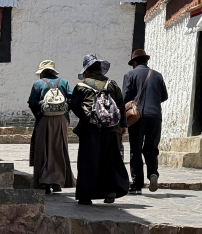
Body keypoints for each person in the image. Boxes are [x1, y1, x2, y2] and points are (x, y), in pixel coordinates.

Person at [70, 53, 131, 205]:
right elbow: (121, 105)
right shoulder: (112, 84)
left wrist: (87, 117)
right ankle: (111, 190)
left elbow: (74, 106)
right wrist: (123, 125)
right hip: (112, 129)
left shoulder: (81, 86)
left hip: (90, 130)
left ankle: (86, 196)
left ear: (87, 70)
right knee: (110, 161)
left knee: (88, 161)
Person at [122, 49, 168, 194]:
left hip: (137, 117)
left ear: (134, 62)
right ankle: (153, 173)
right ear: (146, 61)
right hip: (155, 116)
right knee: (151, 147)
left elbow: (124, 97)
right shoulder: (158, 75)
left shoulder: (130, 75)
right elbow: (164, 96)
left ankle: (137, 185)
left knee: (136, 149)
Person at [27, 60, 75, 194]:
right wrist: (64, 113)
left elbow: (32, 102)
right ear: (54, 71)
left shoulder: (38, 84)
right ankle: (57, 182)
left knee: (43, 149)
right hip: (61, 120)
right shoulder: (64, 82)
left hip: (44, 119)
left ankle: (44, 182)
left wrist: (39, 114)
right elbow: (72, 99)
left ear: (42, 72)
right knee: (59, 148)